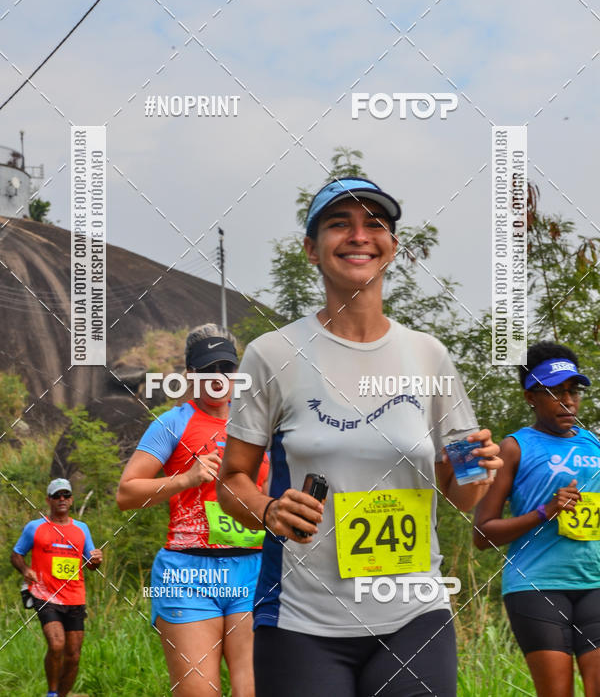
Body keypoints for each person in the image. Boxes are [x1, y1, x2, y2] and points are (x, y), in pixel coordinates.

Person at [217, 177, 502, 697]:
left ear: (392, 247)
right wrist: (267, 509)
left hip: (415, 613)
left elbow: (461, 495)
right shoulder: (272, 354)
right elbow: (231, 479)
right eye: (338, 224)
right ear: (311, 248)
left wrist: (477, 469)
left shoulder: (429, 355)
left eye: (374, 224)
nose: (358, 235)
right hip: (302, 620)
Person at [116, 324, 269, 697]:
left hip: (252, 570)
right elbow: (127, 493)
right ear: (190, 375)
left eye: (226, 368)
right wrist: (186, 478)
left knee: (251, 690)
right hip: (189, 574)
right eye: (207, 370)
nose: (218, 379)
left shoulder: (256, 423)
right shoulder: (173, 423)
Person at [474, 341, 600, 697]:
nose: (568, 401)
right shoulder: (514, 448)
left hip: (595, 583)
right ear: (530, 397)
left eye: (573, 391)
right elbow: (482, 534)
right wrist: (545, 511)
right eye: (555, 392)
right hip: (537, 586)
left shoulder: (594, 444)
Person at [11, 477, 103, 697]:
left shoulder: (82, 529)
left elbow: (91, 564)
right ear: (48, 500)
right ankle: (51, 692)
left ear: (71, 500)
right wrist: (25, 570)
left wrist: (96, 560)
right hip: (45, 595)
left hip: (75, 597)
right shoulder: (35, 527)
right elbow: (16, 555)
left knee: (74, 655)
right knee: (56, 644)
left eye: (66, 495)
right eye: (56, 496)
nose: (61, 499)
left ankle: (62, 694)